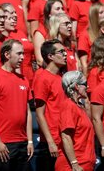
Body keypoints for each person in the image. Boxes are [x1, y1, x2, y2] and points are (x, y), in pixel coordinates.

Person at [0, 39, 34, 171]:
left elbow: (27, 112)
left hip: (22, 143)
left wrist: (30, 141)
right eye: (19, 53)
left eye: (23, 54)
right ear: (7, 54)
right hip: (3, 143)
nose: (23, 57)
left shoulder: (24, 80)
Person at [33, 39, 67, 171]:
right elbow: (39, 114)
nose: (65, 55)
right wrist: (50, 141)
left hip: (64, 137)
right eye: (61, 52)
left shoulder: (61, 78)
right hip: (52, 140)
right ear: (50, 56)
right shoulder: (43, 78)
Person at [55, 71, 95, 171]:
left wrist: (86, 101)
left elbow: (90, 123)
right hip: (73, 166)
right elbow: (66, 136)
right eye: (85, 84)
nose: (88, 87)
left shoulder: (79, 107)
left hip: (85, 163)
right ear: (77, 86)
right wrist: (74, 163)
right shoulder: (69, 106)